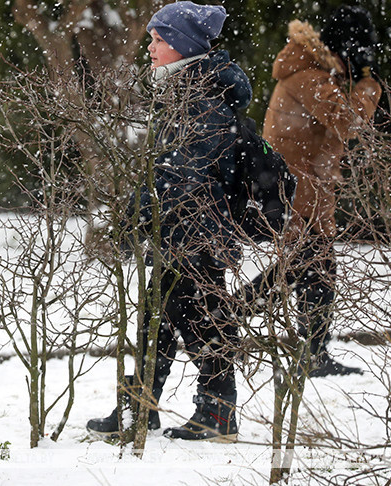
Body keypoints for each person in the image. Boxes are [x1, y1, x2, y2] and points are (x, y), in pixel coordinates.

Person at [87, 1, 251, 443]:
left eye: (159, 40)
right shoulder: (186, 90)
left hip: (198, 228)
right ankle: (142, 408)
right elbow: (169, 170)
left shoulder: (201, 97)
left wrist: (136, 213)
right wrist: (140, 211)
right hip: (185, 226)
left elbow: (181, 172)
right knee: (160, 315)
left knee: (196, 318)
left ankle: (214, 412)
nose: (151, 48)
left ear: (183, 46)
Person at [235, 6, 381, 377]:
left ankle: (311, 352)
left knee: (312, 269)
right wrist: (368, 85)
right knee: (304, 267)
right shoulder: (309, 76)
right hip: (295, 190)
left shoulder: (313, 71)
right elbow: (349, 122)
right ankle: (224, 318)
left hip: (306, 188)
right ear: (347, 49)